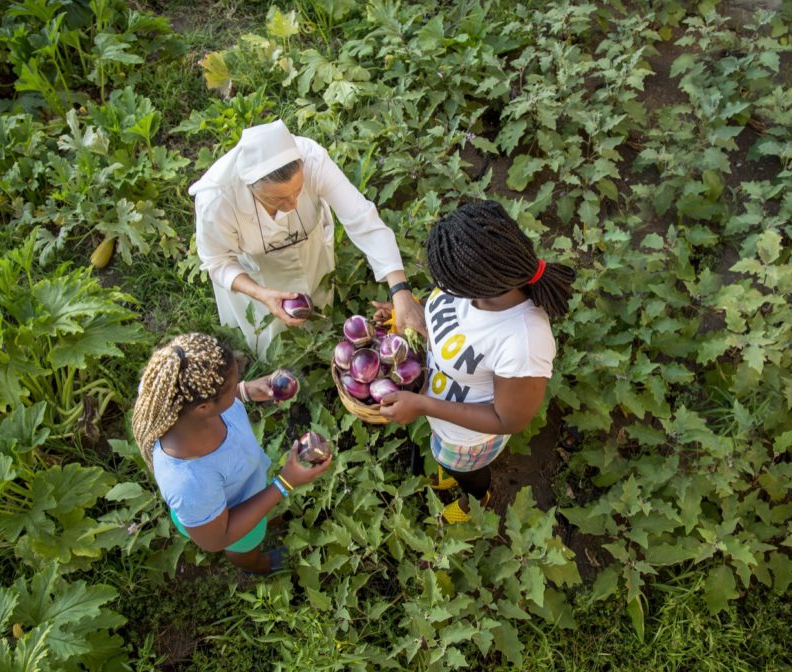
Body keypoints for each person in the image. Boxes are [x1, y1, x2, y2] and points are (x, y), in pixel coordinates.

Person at [378, 201, 574, 523]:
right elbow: (450, 314)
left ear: (477, 285)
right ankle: (452, 473)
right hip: (442, 421)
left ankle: (475, 501)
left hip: (468, 439)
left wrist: (423, 405)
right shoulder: (471, 283)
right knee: (447, 461)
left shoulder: (523, 341)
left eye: (448, 283)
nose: (442, 288)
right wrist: (413, 311)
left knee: (466, 471)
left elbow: (507, 420)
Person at [190, 119, 425, 355]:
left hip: (309, 249)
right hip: (256, 271)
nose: (292, 205)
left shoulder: (313, 160)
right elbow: (218, 261)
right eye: (277, 200)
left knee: (319, 304)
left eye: (299, 191)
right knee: (268, 341)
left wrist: (400, 291)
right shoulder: (217, 199)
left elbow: (362, 219)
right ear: (251, 187)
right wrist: (261, 294)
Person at [131, 332, 332, 573]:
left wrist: (244, 391)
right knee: (246, 545)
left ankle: (269, 515)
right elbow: (217, 538)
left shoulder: (174, 390)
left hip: (247, 482)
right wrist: (284, 483)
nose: (239, 383)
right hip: (230, 520)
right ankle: (258, 565)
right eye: (232, 386)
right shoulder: (189, 482)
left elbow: (213, 397)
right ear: (204, 407)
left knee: (264, 510)